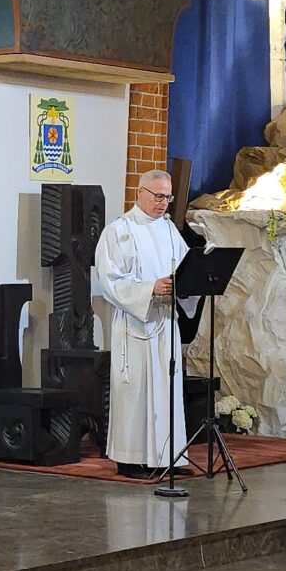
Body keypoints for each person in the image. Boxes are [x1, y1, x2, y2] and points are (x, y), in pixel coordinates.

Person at [94, 169, 190, 487]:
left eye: (168, 197)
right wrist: (151, 288)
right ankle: (130, 458)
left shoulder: (169, 230)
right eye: (158, 196)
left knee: (166, 389)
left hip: (165, 323)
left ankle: (167, 457)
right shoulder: (119, 231)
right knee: (135, 392)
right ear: (140, 193)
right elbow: (110, 281)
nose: (163, 203)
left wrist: (185, 283)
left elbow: (185, 267)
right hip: (135, 323)